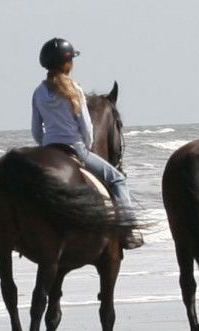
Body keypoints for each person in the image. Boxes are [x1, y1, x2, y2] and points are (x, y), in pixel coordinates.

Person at [30, 38, 144, 249]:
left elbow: (36, 130)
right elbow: (87, 127)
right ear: (68, 63)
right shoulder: (74, 89)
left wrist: (45, 146)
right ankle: (128, 230)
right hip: (75, 149)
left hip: (49, 149)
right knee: (117, 179)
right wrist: (88, 148)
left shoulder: (38, 92)